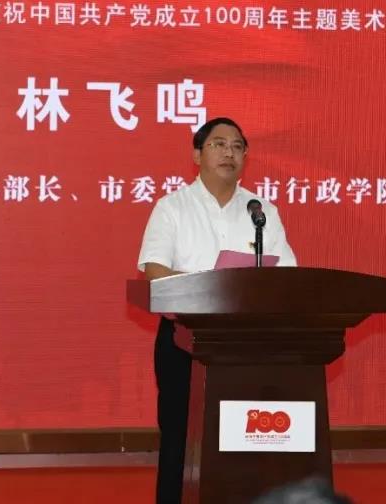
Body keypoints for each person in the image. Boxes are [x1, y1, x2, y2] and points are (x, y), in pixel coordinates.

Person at [137, 117, 298, 504]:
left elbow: (287, 273)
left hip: (248, 345)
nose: (230, 152)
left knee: (246, 441)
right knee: (180, 440)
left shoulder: (261, 211)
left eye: (238, 146)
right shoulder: (172, 207)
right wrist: (212, 287)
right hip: (184, 342)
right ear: (197, 155)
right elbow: (155, 270)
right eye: (219, 144)